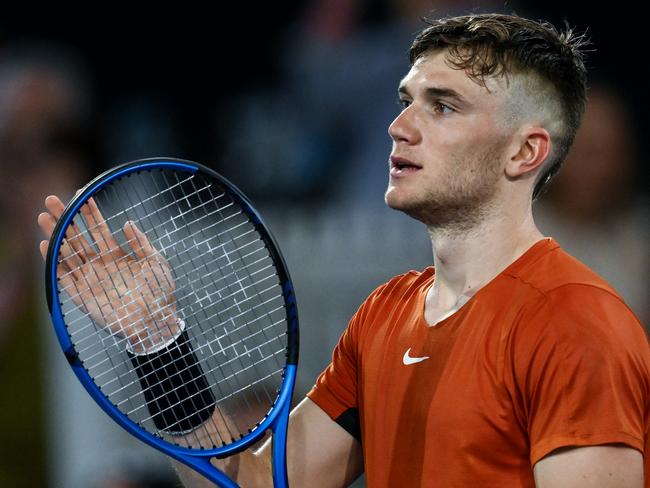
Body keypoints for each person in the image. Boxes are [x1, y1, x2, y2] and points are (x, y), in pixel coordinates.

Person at [38, 13, 650, 487]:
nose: (400, 126)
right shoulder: (384, 316)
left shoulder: (577, 324)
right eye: (406, 100)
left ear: (525, 153)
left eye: (443, 106)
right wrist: (158, 343)